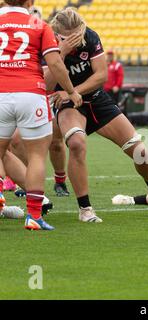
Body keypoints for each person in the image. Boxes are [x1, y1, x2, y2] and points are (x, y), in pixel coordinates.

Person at [44, 8, 148, 222]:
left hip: (95, 99)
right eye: (71, 36)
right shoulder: (48, 41)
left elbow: (101, 75)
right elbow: (46, 84)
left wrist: (72, 91)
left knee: (139, 149)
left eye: (79, 32)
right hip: (68, 105)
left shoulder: (90, 36)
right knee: (76, 143)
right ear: (59, 34)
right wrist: (62, 52)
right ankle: (85, 209)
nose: (78, 38)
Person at [0, 0, 82, 230]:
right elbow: (55, 63)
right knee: (36, 156)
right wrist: (71, 91)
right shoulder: (39, 25)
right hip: (31, 94)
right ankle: (34, 216)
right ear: (30, 2)